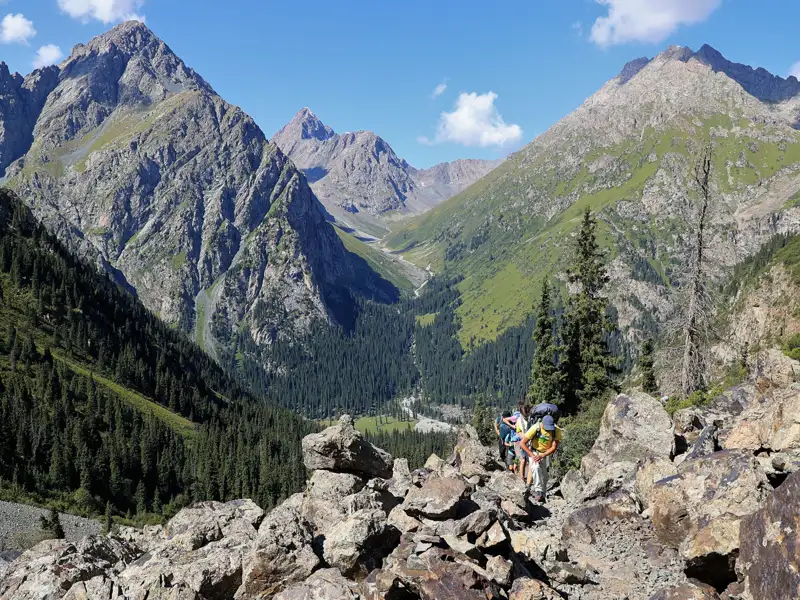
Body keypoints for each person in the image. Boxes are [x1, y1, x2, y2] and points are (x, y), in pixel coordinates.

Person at [519, 415, 563, 503]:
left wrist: (542, 455)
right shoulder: (535, 427)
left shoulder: (556, 430)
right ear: (542, 424)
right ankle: (538, 491)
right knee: (535, 468)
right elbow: (522, 443)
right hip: (534, 451)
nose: (548, 430)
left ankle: (543, 494)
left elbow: (554, 447)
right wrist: (532, 455)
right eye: (547, 428)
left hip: (545, 453)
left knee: (545, 477)